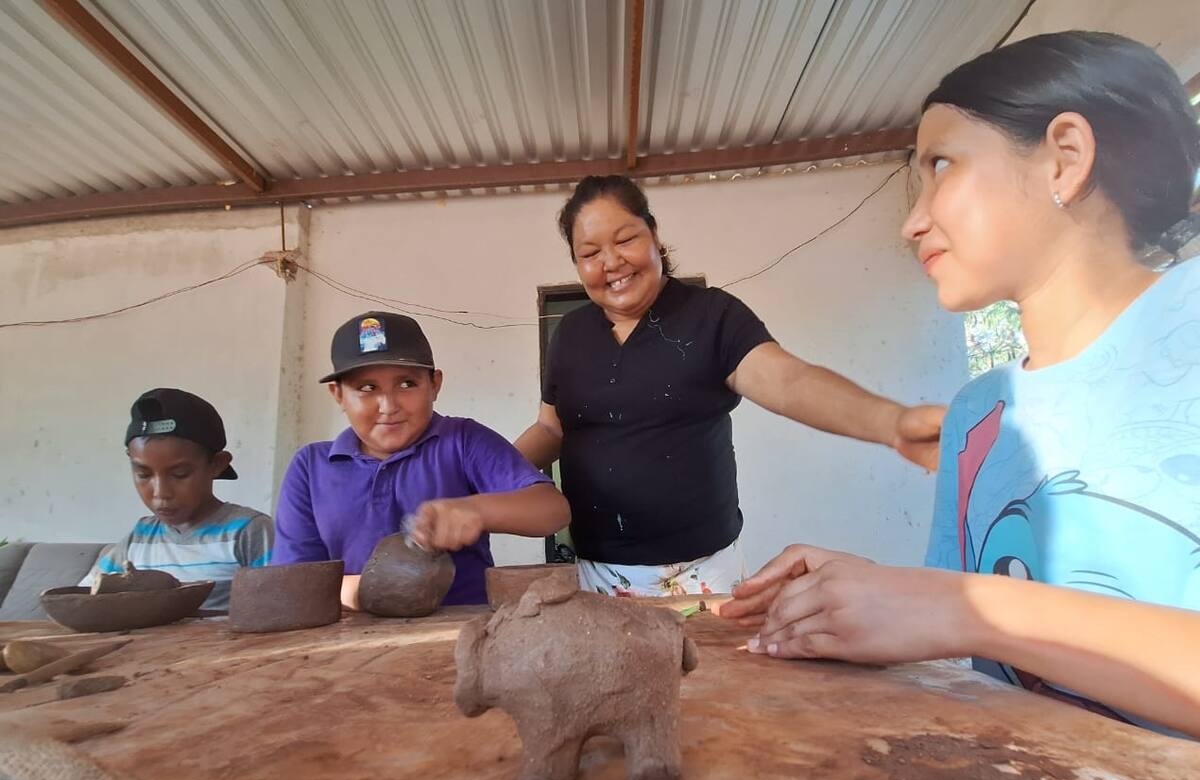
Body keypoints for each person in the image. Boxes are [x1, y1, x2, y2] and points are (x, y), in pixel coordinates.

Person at [721, 31, 1200, 738]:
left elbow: (972, 610)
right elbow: (978, 652)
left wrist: (961, 606)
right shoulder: (981, 414)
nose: (914, 221)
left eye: (941, 164)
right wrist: (874, 596)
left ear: (1065, 159)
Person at [515, 175, 945, 597]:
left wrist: (891, 423)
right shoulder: (570, 334)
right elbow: (552, 430)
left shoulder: (712, 317)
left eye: (625, 239)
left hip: (700, 574)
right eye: (590, 252)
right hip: (596, 574)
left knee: (707, 671)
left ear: (654, 234)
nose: (611, 262)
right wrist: (471, 483)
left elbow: (789, 381)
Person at [273, 311, 571, 608]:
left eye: (406, 384)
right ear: (338, 395)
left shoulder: (462, 440)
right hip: (345, 642)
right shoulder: (311, 467)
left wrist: (477, 509)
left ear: (435, 385)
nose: (388, 406)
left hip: (462, 632)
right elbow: (296, 583)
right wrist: (374, 588)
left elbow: (552, 511)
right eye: (367, 388)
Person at [83, 388, 274, 611]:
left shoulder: (248, 532)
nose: (161, 492)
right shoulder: (139, 538)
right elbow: (86, 601)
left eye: (180, 474)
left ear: (217, 464)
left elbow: (277, 607)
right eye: (144, 475)